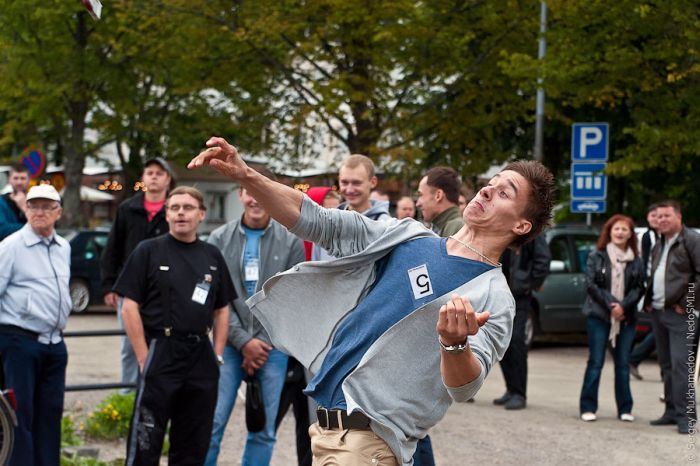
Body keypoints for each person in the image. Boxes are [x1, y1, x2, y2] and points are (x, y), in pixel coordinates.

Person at [188, 137, 555, 465]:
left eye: (505, 193)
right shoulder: (409, 236)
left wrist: (455, 345)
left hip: (369, 445)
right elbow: (319, 221)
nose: (487, 191)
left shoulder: (493, 296)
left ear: (521, 226)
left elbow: (464, 388)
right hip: (327, 430)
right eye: (490, 184)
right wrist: (247, 175)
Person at [114, 186, 234, 465]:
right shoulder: (148, 251)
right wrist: (144, 356)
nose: (181, 213)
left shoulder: (212, 256)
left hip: (200, 356)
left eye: (188, 207)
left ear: (201, 214)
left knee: (194, 442)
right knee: (146, 439)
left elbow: (222, 309)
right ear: (166, 214)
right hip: (161, 350)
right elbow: (129, 306)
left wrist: (217, 353)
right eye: (175, 207)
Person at [205, 167, 305, 466]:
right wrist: (243, 340)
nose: (255, 199)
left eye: (262, 191)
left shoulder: (291, 242)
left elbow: (290, 298)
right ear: (240, 194)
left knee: (263, 429)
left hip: (272, 348)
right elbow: (216, 299)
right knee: (213, 422)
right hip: (228, 343)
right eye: (249, 192)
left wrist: (261, 343)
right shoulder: (218, 239)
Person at [0, 184, 72, 466]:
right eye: (33, 206)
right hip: (19, 341)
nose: (39, 212)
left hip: (55, 343)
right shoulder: (10, 247)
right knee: (21, 415)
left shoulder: (63, 247)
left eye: (46, 206)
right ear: (25, 209)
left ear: (58, 213)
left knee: (51, 413)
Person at [101, 157, 174, 390]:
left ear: (168, 180)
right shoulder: (127, 209)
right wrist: (110, 285)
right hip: (130, 288)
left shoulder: (175, 210)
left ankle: (157, 393)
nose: (153, 176)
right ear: (143, 178)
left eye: (159, 173)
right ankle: (127, 395)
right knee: (129, 345)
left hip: (165, 289)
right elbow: (113, 248)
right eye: (149, 172)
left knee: (163, 342)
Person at [579, 214, 645, 423]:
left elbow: (639, 288)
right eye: (617, 229)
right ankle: (588, 407)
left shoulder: (636, 260)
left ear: (630, 234)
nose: (620, 232)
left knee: (623, 364)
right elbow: (591, 285)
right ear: (609, 231)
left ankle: (625, 408)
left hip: (626, 318)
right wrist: (612, 305)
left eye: (624, 229)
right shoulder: (596, 256)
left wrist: (623, 307)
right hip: (599, 316)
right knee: (596, 362)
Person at [644, 200, 700, 434]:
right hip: (659, 312)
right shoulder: (659, 243)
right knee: (666, 365)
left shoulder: (692, 240)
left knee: (681, 366)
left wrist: (686, 302)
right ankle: (670, 410)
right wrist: (648, 301)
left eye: (667, 216)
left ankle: (686, 417)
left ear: (678, 217)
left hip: (681, 314)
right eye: (659, 216)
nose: (662, 220)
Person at [493, 233, 550, 410]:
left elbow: (543, 261)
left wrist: (528, 285)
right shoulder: (504, 226)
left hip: (520, 295)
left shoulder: (533, 230)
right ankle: (510, 389)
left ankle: (519, 393)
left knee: (517, 340)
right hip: (500, 293)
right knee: (502, 341)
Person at [629, 203, 660, 380]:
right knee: (660, 329)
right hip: (652, 288)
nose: (657, 219)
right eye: (653, 216)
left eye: (660, 216)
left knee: (660, 329)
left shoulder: (663, 236)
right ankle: (634, 358)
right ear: (648, 218)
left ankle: (635, 358)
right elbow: (647, 264)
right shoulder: (647, 237)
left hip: (662, 289)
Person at [337, 154, 391, 221]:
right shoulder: (332, 220)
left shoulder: (385, 225)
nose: (349, 190)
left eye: (356, 183)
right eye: (344, 182)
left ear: (373, 182)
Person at [415, 166, 463, 236]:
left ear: (438, 195)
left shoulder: (456, 228)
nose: (417, 204)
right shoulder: (442, 228)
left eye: (421, 195)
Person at [0, 163, 30, 241]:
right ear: (9, 180)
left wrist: (24, 208)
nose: (19, 182)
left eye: (23, 178)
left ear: (29, 180)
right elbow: (2, 230)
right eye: (15, 178)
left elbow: (46, 226)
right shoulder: (1, 202)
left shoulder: (35, 201)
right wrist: (32, 228)